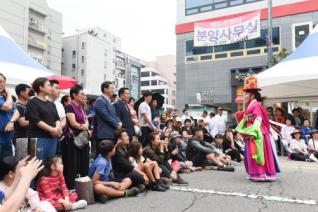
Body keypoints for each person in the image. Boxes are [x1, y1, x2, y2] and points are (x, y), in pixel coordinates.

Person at [235, 75, 280, 181]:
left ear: (251, 94)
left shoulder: (255, 105)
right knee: (256, 152)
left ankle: (260, 174)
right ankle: (258, 173)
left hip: (256, 132)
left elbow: (258, 118)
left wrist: (254, 130)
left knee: (256, 152)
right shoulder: (254, 104)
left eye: (246, 93)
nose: (244, 95)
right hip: (256, 131)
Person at [61, 85, 90, 189]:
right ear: (74, 95)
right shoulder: (69, 106)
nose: (84, 96)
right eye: (82, 94)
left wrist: (86, 125)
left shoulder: (82, 107)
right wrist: (84, 127)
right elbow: (73, 123)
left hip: (83, 138)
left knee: (84, 161)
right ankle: (71, 186)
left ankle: (82, 185)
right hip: (72, 139)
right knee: (72, 163)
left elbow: (86, 120)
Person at [25, 77, 61, 160]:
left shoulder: (51, 104)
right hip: (39, 138)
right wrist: (52, 129)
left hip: (52, 138)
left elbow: (57, 118)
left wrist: (57, 128)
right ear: (40, 87)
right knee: (37, 163)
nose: (51, 88)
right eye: (48, 85)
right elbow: (36, 120)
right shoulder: (32, 102)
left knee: (50, 164)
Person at [0, 73, 19, 160]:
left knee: (7, 167)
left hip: (7, 139)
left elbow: (16, 112)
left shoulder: (5, 98)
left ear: (5, 83)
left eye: (1, 82)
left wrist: (11, 121)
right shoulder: (8, 98)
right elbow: (7, 107)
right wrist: (8, 93)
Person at [13, 84, 31, 161]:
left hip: (28, 136)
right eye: (29, 91)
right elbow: (22, 123)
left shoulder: (28, 104)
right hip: (20, 137)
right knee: (22, 161)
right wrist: (37, 121)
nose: (31, 93)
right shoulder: (17, 105)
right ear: (21, 92)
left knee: (29, 160)